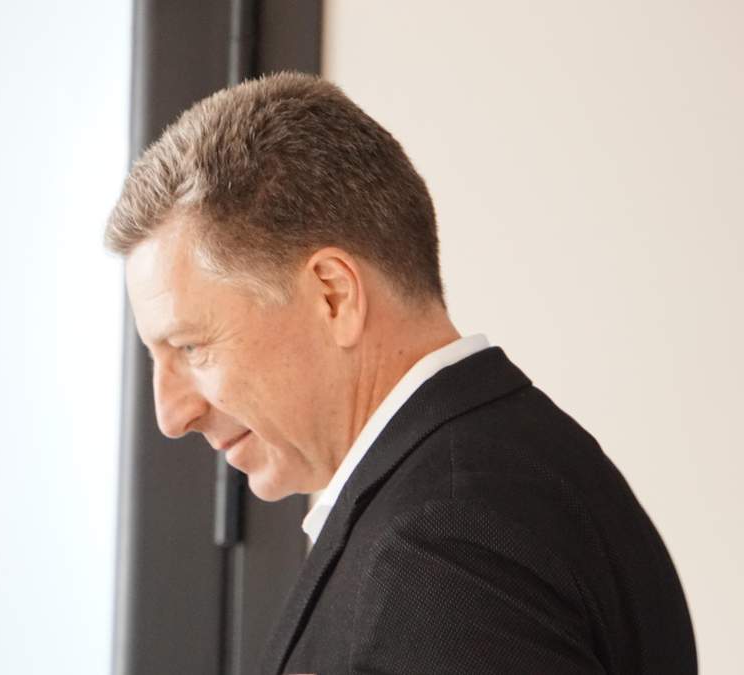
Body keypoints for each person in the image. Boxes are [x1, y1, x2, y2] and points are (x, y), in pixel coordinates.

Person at [105, 72, 696, 674]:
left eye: (192, 347)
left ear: (333, 295)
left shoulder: (443, 546)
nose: (171, 415)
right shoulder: (514, 475)